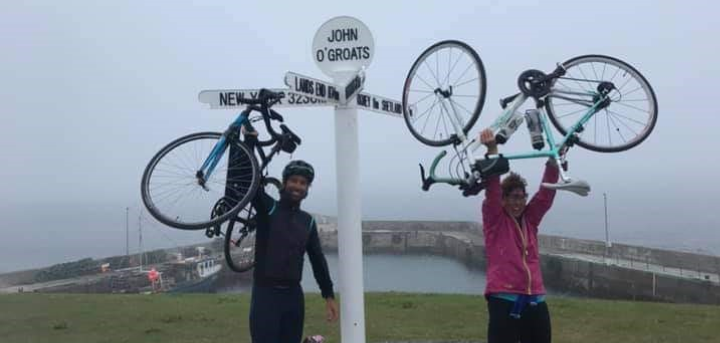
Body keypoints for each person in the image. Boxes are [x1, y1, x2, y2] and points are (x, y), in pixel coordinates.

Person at [478, 128, 564, 343]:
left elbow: (545, 196)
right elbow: (493, 188)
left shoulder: (530, 220)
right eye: (512, 197)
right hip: (503, 298)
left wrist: (554, 161)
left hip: (535, 298)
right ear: (504, 199)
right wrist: (492, 149)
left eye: (521, 197)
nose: (517, 202)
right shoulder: (494, 219)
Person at [248, 159, 339, 343]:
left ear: (308, 188)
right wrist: (248, 141)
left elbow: (317, 260)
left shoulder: (308, 221)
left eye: (303, 183)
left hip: (293, 297)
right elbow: (247, 183)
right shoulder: (269, 208)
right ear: (284, 182)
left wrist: (328, 295)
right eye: (294, 181)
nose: (298, 186)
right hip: (265, 295)